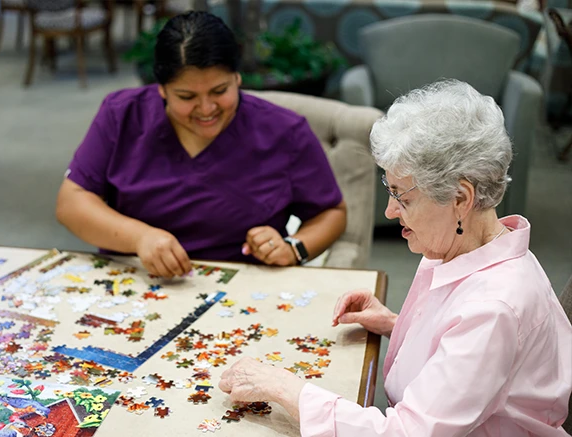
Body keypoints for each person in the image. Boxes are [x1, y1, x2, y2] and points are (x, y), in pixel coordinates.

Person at [219, 80, 572, 436]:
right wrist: (394, 322)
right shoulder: (466, 244)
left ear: (461, 198)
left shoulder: (494, 309)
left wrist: (283, 387)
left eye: (403, 197)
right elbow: (463, 346)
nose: (389, 211)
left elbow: (406, 432)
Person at [55, 11, 347, 278]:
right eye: (186, 97)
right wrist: (140, 237)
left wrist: (293, 247)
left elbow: (331, 212)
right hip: (136, 280)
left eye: (220, 91)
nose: (206, 109)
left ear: (237, 78)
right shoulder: (122, 114)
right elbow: (71, 202)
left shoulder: (285, 131)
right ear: (161, 89)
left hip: (245, 287)